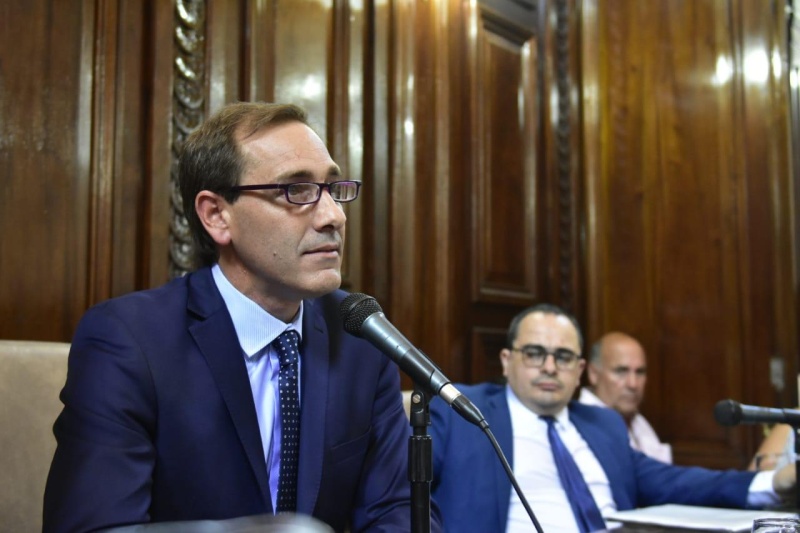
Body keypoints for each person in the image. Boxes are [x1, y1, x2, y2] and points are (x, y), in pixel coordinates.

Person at [43, 102, 436, 533]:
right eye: (296, 190)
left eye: (332, 188)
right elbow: (97, 527)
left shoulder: (360, 337)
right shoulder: (129, 341)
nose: (334, 216)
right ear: (216, 215)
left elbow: (398, 512)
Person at [428, 303, 795, 533]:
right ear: (507, 362)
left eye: (563, 357)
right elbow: (403, 495)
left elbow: (675, 481)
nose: (550, 367)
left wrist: (775, 482)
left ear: (579, 371)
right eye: (535, 353)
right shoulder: (461, 412)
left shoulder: (602, 425)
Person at [579, 332, 672, 463]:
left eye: (640, 372)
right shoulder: (581, 429)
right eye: (621, 371)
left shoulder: (637, 421)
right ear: (593, 374)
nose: (633, 384)